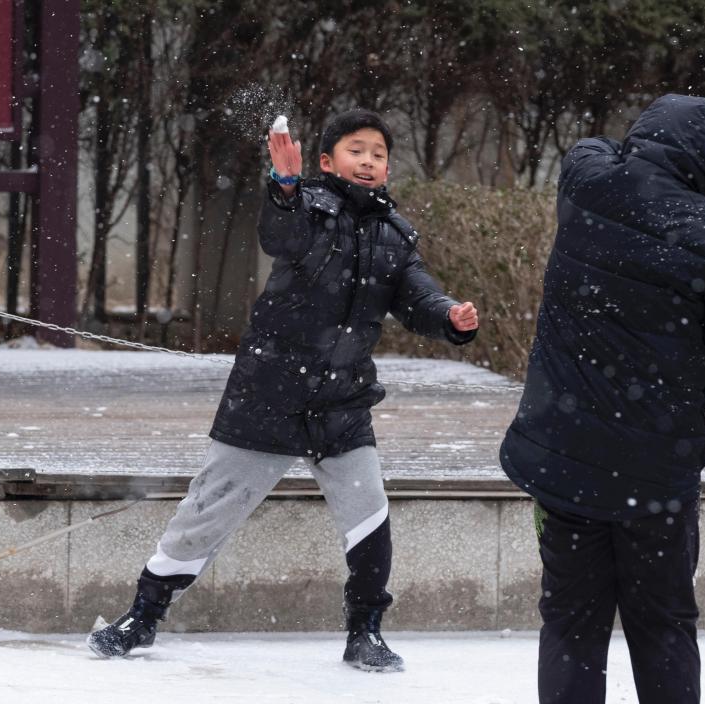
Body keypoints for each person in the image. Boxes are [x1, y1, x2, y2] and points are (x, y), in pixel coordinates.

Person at [88, 108, 479, 671]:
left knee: (369, 517)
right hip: (268, 396)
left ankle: (365, 632)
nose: (368, 161)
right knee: (206, 514)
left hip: (342, 404)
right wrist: (285, 185)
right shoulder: (307, 209)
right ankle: (142, 616)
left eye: (378, 154)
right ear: (327, 161)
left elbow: (418, 298)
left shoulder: (394, 234)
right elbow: (279, 233)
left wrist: (449, 316)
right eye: (356, 150)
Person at [499, 94, 705, 703]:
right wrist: (667, 404)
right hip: (657, 471)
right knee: (664, 624)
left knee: (570, 622)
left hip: (563, 458)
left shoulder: (588, 182)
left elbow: (592, 147)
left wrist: (634, 152)